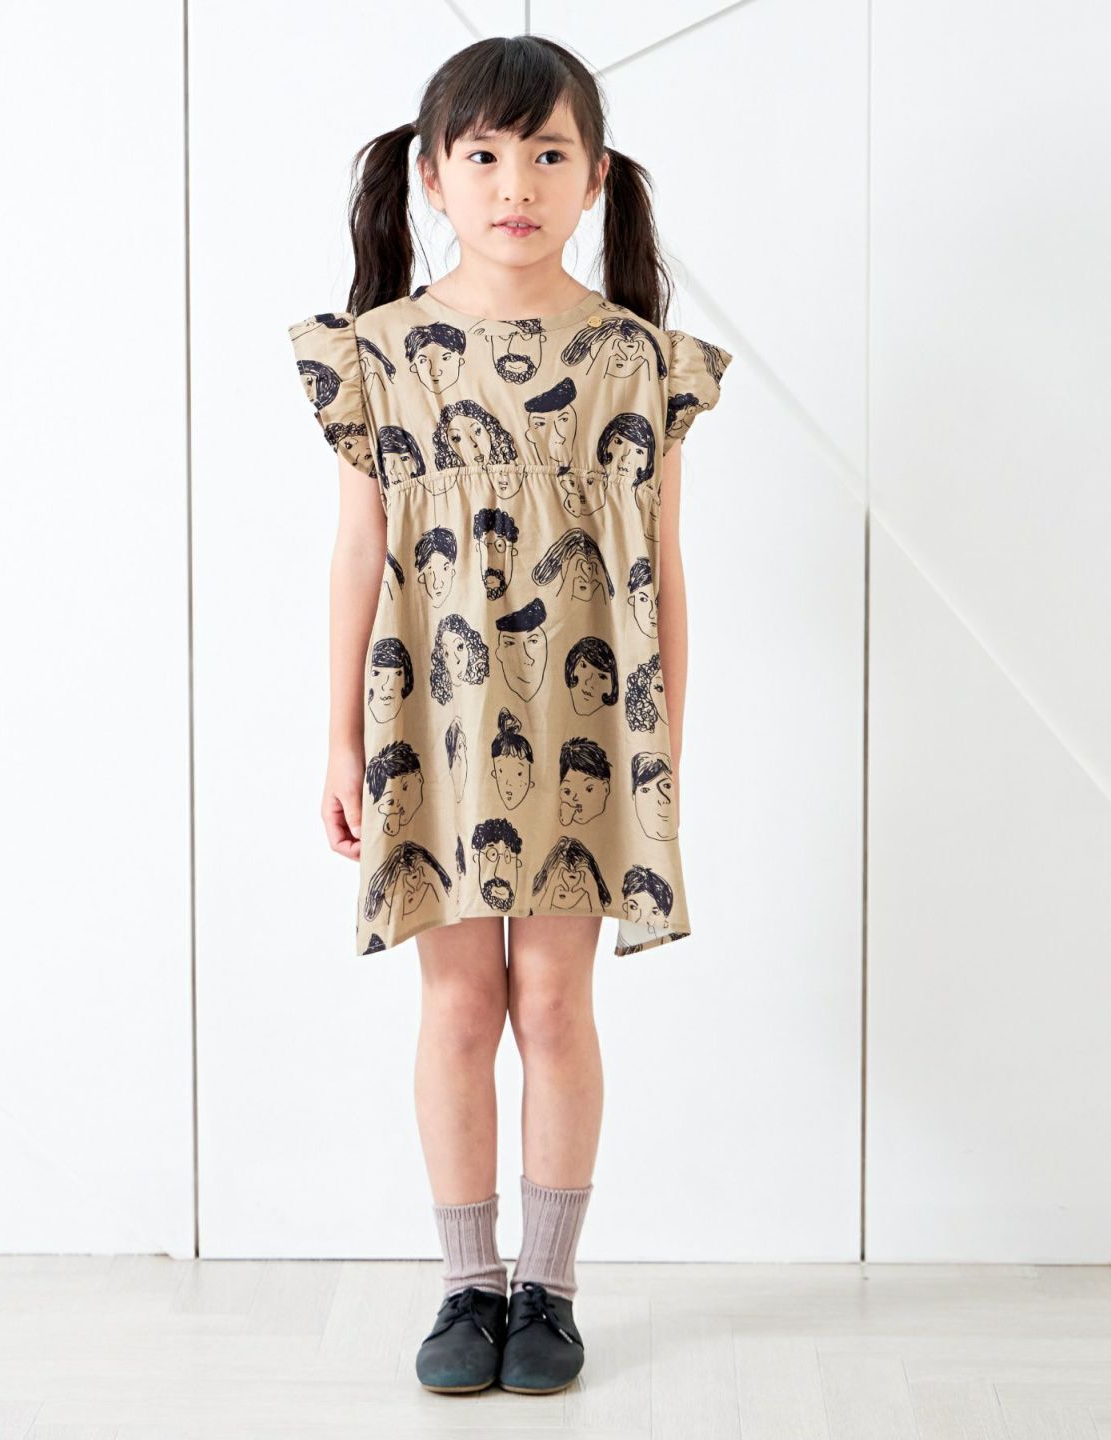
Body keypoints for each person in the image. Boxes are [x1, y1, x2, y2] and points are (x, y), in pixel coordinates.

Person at [287, 34, 733, 1397]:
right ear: (432, 175)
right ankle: (466, 1285)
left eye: (547, 153)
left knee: (552, 999)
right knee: (459, 1002)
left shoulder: (637, 361)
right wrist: (338, 737)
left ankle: (550, 1288)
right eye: (482, 154)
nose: (515, 183)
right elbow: (358, 551)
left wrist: (661, 742)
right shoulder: (382, 355)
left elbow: (660, 565)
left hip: (582, 718)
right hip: (432, 717)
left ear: (594, 176)